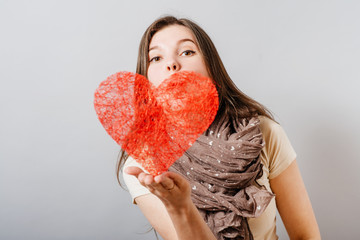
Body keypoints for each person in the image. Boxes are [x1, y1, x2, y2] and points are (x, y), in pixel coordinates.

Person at [119, 16, 321, 240]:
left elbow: (306, 236)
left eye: (187, 52)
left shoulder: (263, 133)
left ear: (211, 68)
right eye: (156, 57)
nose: (172, 64)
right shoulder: (142, 166)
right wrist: (180, 207)